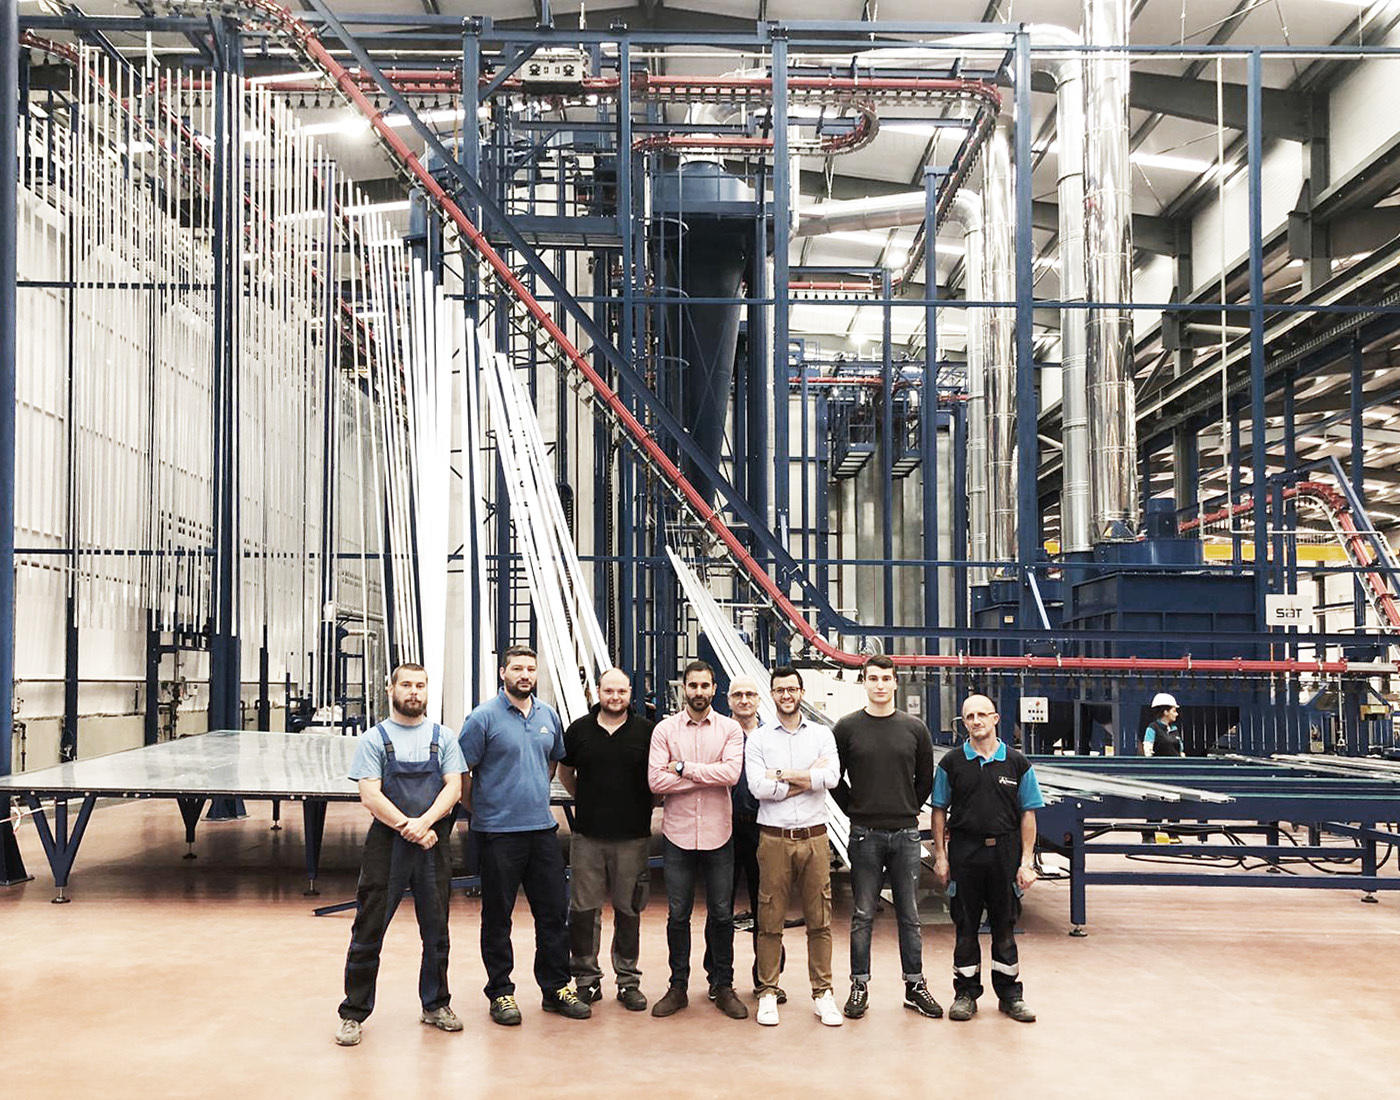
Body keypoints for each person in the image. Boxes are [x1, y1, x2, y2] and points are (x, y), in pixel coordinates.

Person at [459, 645, 591, 1026]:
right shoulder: (482, 718)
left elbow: (552, 760)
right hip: (497, 834)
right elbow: (462, 771)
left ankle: (556, 988)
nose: (525, 675)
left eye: (530, 669)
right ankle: (501, 992)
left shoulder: (548, 715)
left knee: (553, 914)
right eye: (517, 668)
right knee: (498, 918)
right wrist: (482, 810)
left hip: (542, 831)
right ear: (503, 672)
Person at [335, 663, 466, 1047]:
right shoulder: (374, 739)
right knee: (368, 929)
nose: (414, 692)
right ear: (391, 689)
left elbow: (454, 788)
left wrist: (424, 823)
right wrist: (409, 827)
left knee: (437, 930)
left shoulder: (444, 737)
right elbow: (370, 795)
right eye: (406, 684)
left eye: (420, 685)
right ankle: (353, 1013)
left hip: (431, 841)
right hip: (388, 844)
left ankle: (436, 1005)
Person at [832, 654, 941, 1020]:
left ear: (896, 682)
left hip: (906, 835)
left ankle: (914, 985)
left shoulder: (915, 729)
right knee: (863, 913)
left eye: (885, 678)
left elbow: (925, 779)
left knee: (909, 915)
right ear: (864, 682)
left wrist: (906, 807)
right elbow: (834, 778)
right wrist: (856, 809)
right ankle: (859, 985)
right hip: (864, 835)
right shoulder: (846, 728)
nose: (879, 684)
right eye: (873, 678)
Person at [931, 694, 1044, 1024]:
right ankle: (965, 994)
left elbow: (1028, 814)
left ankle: (1010, 996)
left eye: (982, 715)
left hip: (1004, 854)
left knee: (1004, 926)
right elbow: (939, 811)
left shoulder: (1017, 763)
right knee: (965, 926)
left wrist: (1026, 861)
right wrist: (941, 857)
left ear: (995, 719)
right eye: (969, 716)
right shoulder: (951, 763)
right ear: (963, 723)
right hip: (965, 853)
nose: (976, 721)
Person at [648, 659, 748, 1020]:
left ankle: (723, 985)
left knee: (721, 914)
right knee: (678, 915)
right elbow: (655, 781)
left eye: (705, 686)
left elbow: (731, 774)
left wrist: (682, 768)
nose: (699, 692)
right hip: (678, 835)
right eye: (693, 685)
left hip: (719, 834)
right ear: (684, 688)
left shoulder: (730, 729)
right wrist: (707, 776)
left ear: (714, 689)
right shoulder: (665, 730)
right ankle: (678, 986)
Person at [745, 666, 842, 1027]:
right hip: (774, 838)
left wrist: (781, 775)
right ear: (771, 695)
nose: (786, 695)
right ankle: (768, 991)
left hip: (815, 837)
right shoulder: (758, 739)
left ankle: (823, 993)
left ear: (801, 692)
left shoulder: (821, 734)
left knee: (820, 919)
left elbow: (831, 777)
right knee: (769, 918)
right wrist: (807, 777)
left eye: (792, 689)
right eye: (779, 690)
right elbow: (758, 787)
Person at [557, 668, 654, 1012]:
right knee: (584, 911)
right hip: (588, 836)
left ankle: (628, 981)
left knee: (629, 910)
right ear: (597, 691)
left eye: (621, 691)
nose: (615, 697)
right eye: (608, 691)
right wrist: (587, 800)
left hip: (633, 837)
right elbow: (565, 772)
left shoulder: (646, 731)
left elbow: (656, 783)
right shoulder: (579, 730)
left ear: (630, 693)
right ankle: (587, 980)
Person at [727, 675, 786, 1004]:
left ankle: (768, 980)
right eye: (738, 695)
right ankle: (720, 979)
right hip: (724, 829)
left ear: (759, 699)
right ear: (729, 700)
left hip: (764, 828)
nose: (744, 700)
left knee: (768, 907)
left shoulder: (773, 737)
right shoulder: (720, 734)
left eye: (750, 694)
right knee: (721, 907)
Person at [1141, 692, 1183, 757]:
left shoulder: (1174, 729)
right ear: (1165, 712)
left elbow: (1181, 751)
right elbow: (1148, 752)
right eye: (1174, 711)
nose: (1176, 714)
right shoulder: (1152, 728)